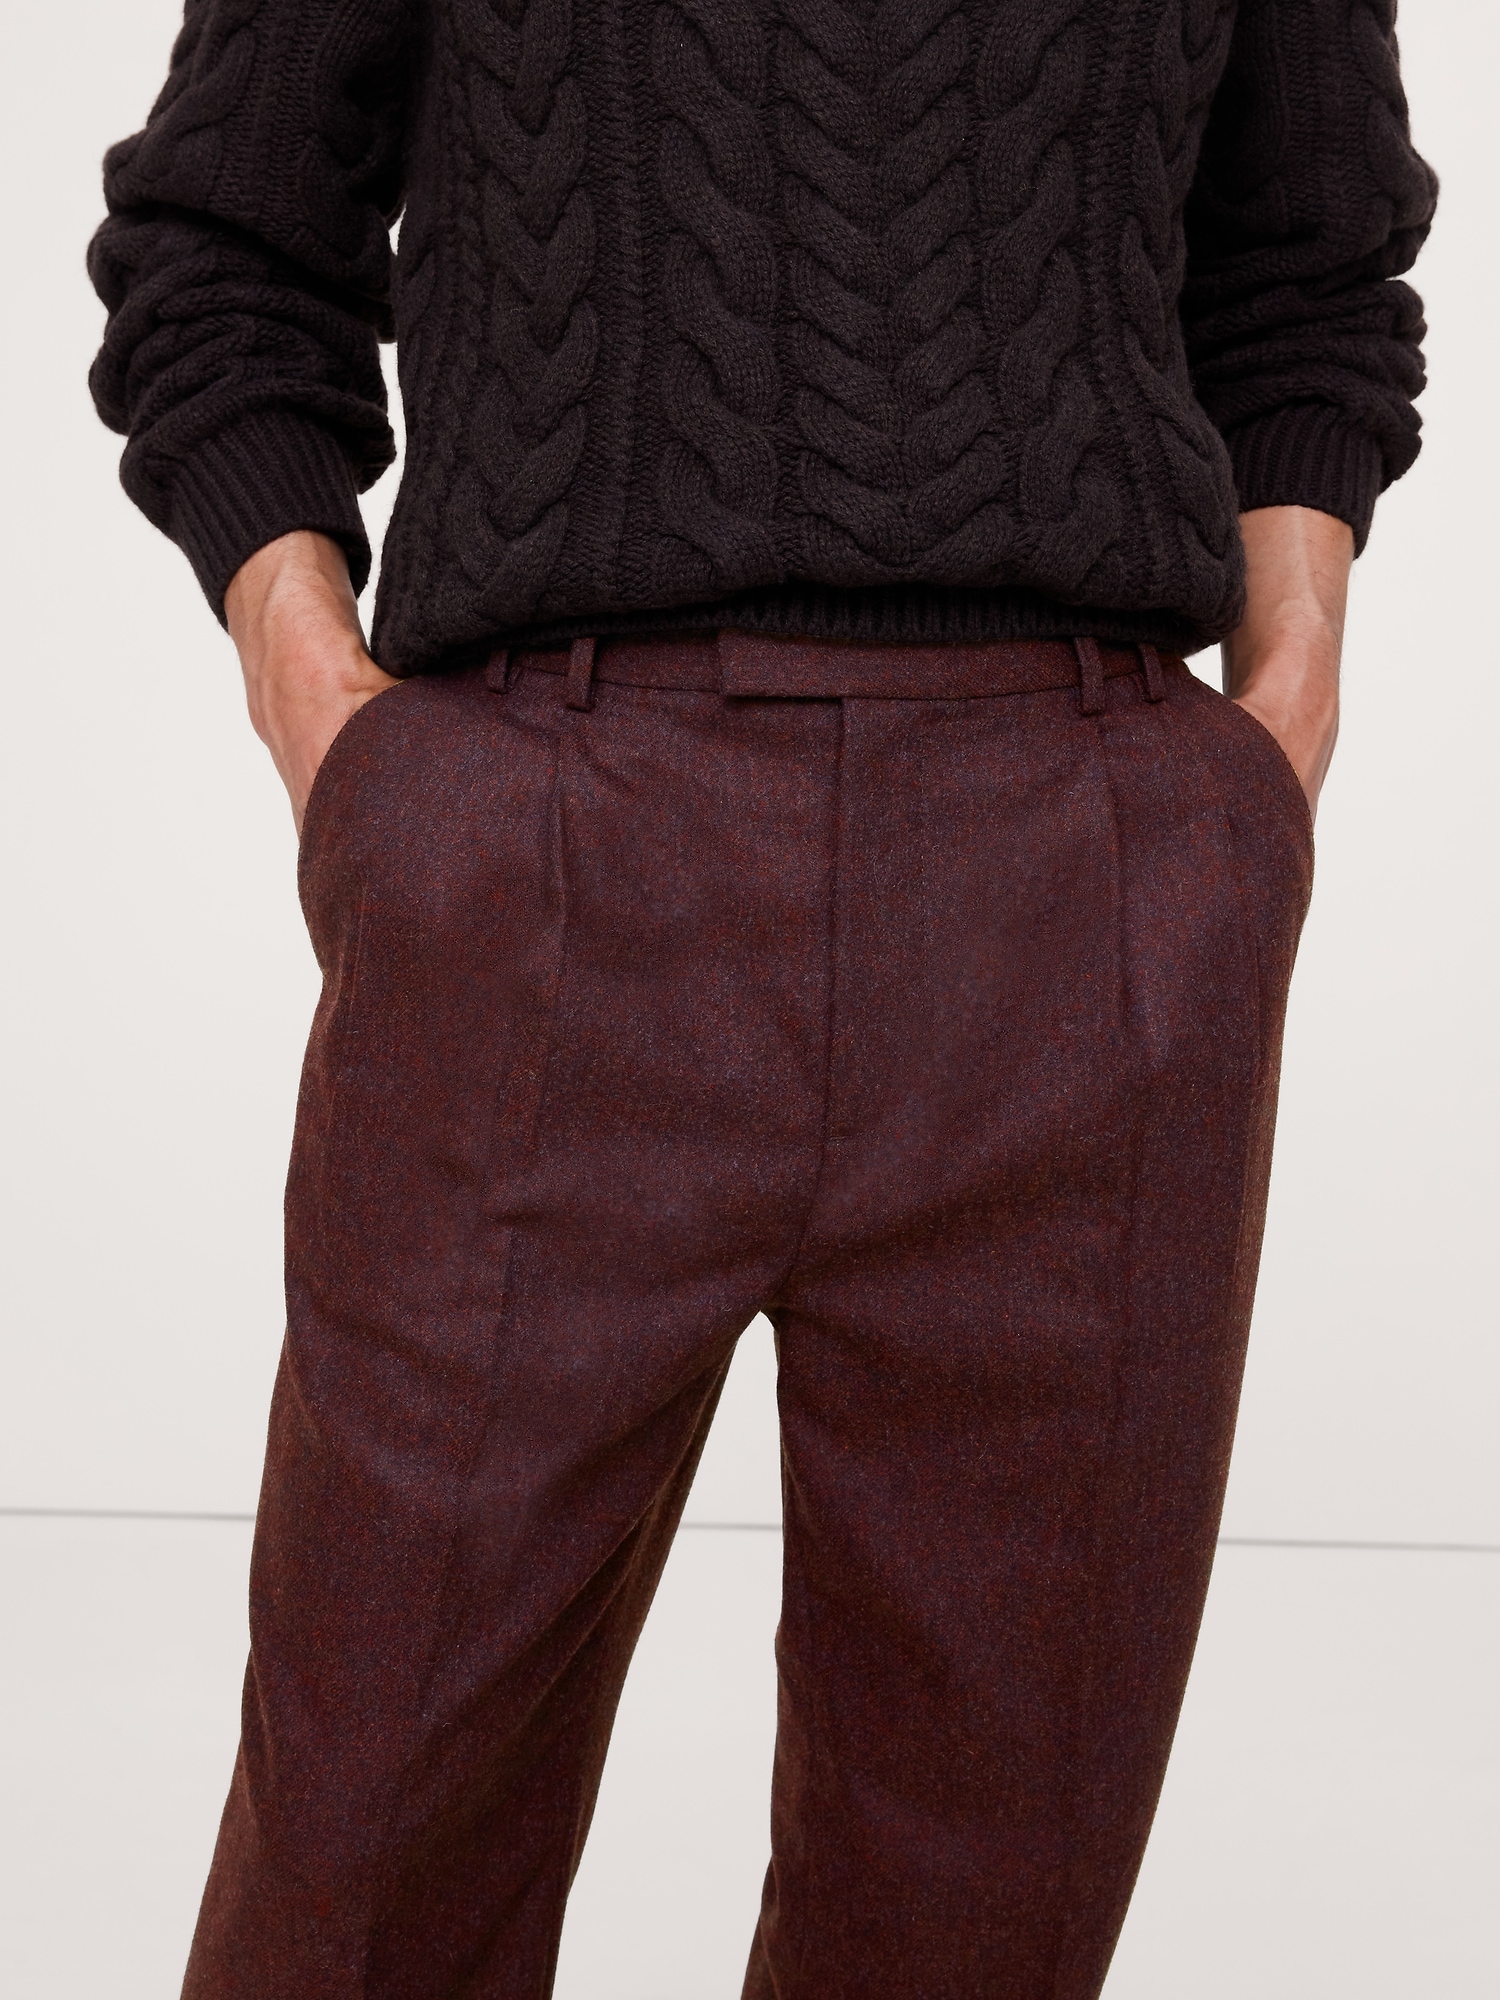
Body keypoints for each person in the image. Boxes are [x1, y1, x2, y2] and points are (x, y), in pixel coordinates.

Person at [88, 2, 1435, 1993]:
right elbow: (220, 239)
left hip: (1087, 880)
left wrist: (1276, 731)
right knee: (356, 1871)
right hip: (549, 850)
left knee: (981, 1919)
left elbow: (1309, 270)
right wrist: (340, 732)